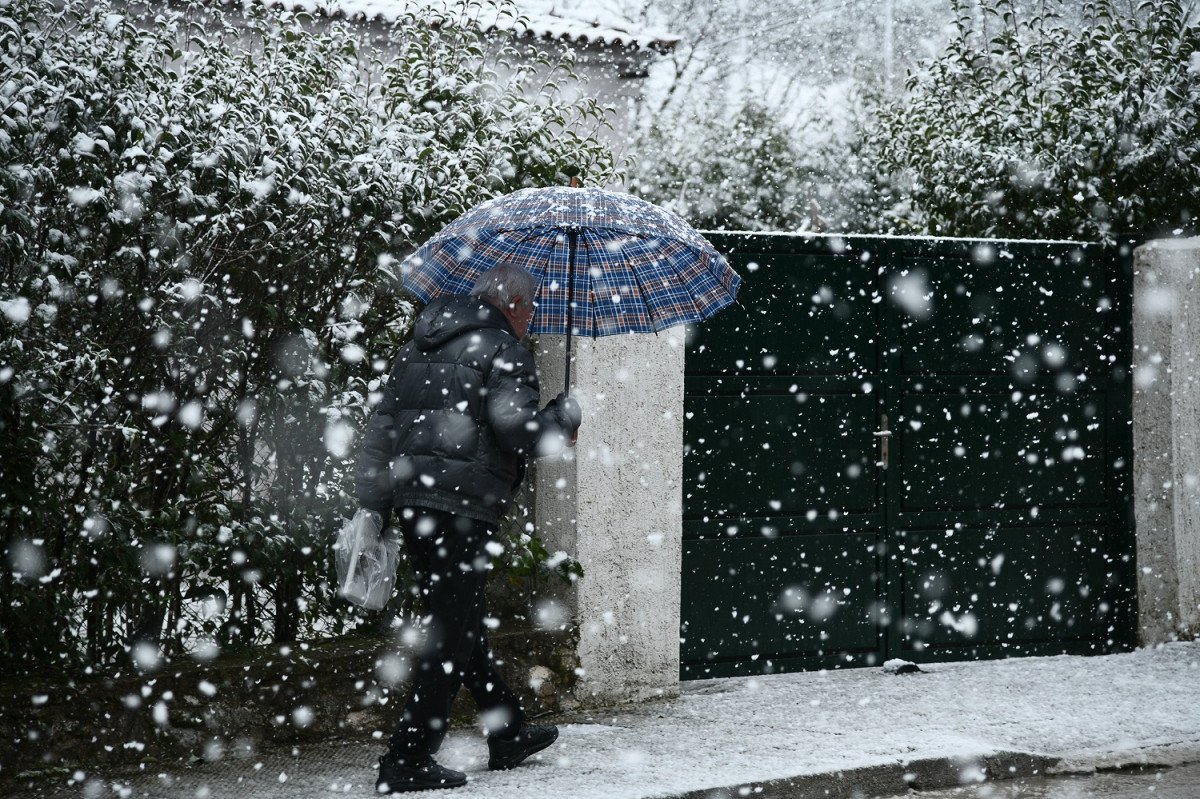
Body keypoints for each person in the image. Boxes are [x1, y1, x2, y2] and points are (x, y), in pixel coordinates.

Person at [355, 263, 582, 793]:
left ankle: (508, 730)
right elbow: (514, 430)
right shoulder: (504, 347)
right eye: (532, 310)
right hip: (462, 508)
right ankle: (408, 757)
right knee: (451, 632)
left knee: (460, 618)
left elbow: (382, 427)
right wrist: (561, 419)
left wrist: (375, 504)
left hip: (415, 504)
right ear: (516, 306)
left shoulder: (421, 344)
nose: (532, 321)